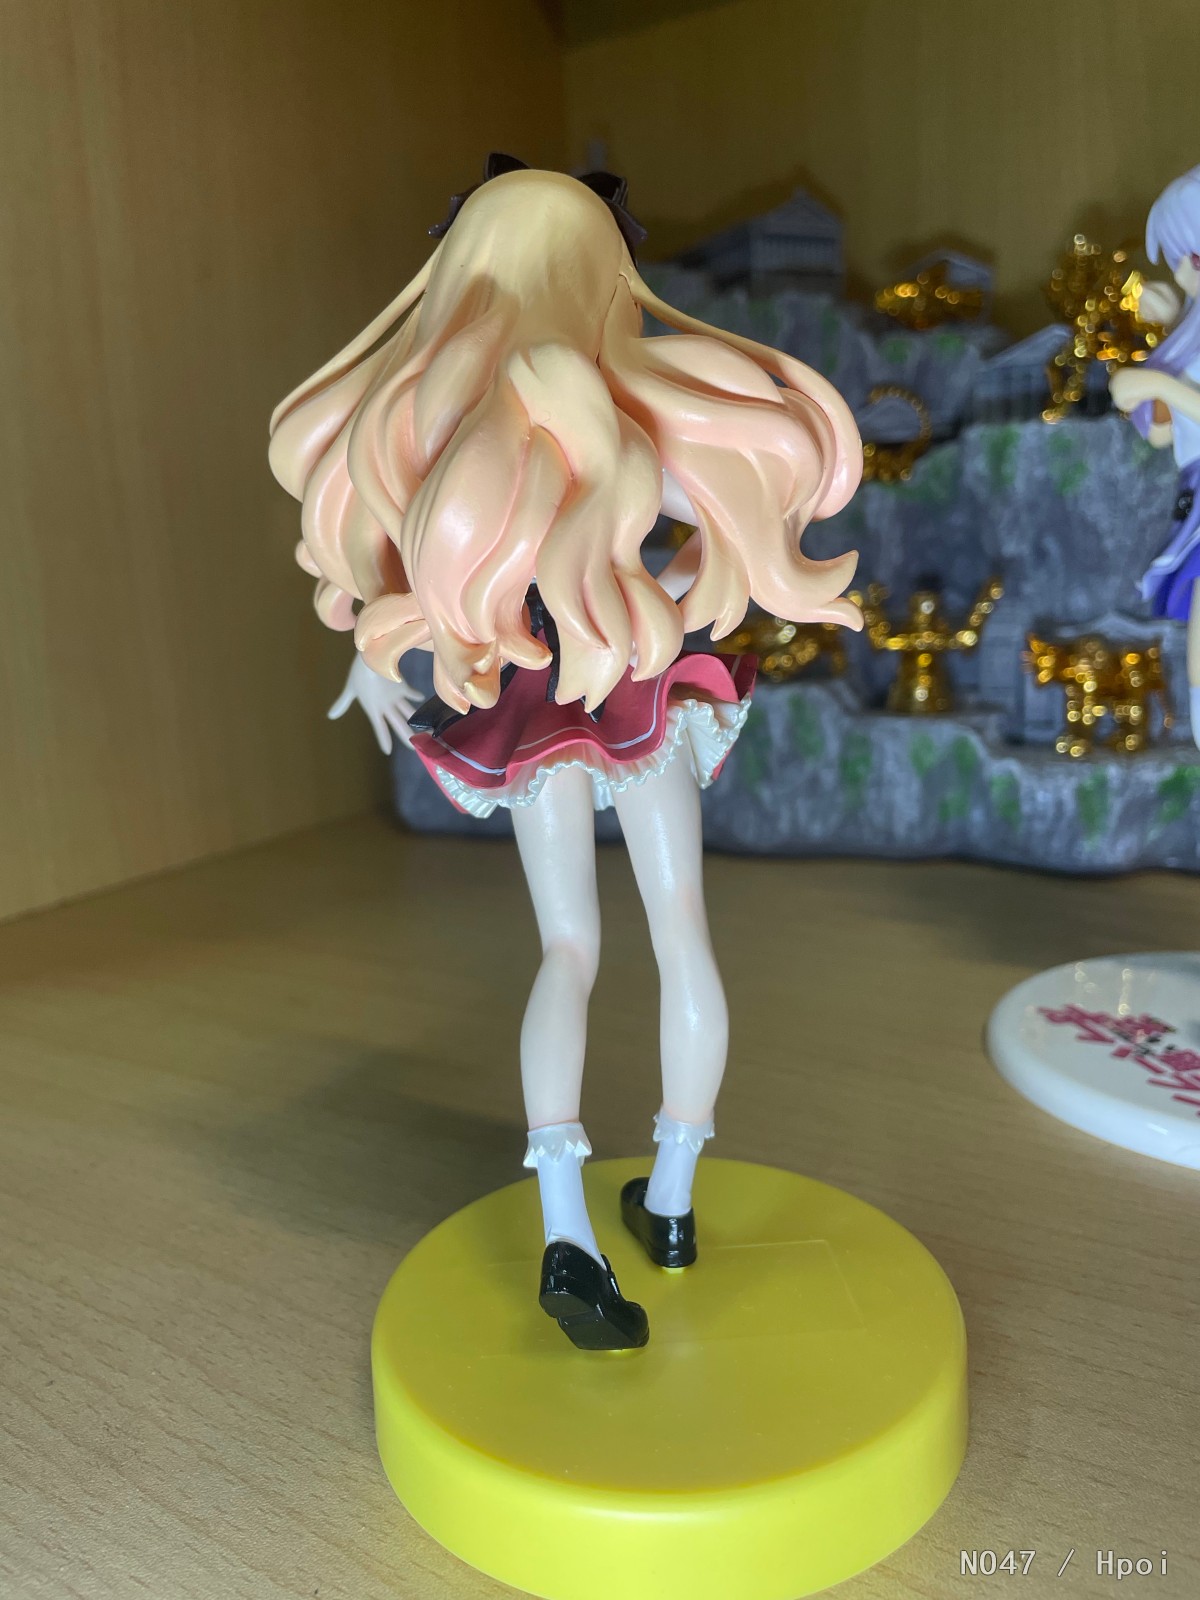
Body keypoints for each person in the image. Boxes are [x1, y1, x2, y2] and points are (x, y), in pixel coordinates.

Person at [269, 157, 861, 1349]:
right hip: (641, 698)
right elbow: (705, 540)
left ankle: (566, 1228)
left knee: (569, 948)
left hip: (540, 719)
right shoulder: (634, 406)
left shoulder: (446, 427)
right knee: (681, 931)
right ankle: (673, 1203)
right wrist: (674, 594)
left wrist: (374, 656)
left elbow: (398, 561)